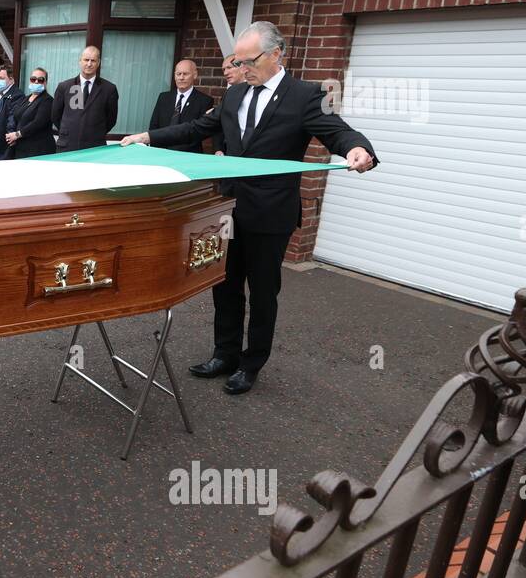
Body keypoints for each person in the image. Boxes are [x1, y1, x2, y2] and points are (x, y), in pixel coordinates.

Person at [122, 21, 378, 395]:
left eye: (248, 61)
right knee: (224, 287)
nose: (241, 70)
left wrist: (357, 149)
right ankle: (224, 354)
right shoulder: (236, 94)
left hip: (270, 215)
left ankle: (251, 362)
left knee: (261, 293)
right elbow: (198, 128)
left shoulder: (305, 95)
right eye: (238, 63)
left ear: (276, 54)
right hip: (228, 210)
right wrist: (148, 137)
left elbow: (336, 130)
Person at [51, 46, 118, 151]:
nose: (89, 64)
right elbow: (55, 115)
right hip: (67, 146)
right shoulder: (64, 87)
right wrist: (69, 130)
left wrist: (94, 132)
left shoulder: (109, 89)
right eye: (86, 60)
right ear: (80, 61)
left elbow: (111, 120)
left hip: (94, 148)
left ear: (98, 63)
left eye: (93, 60)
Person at [147, 58, 212, 154]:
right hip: (160, 153)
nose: (181, 78)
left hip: (188, 155)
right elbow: (154, 126)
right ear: (174, 76)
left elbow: (199, 132)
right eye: (178, 74)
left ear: (195, 75)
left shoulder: (204, 101)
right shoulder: (164, 97)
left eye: (185, 74)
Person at [6, 67, 55, 157]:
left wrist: (17, 135)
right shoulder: (26, 98)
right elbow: (16, 115)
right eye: (33, 79)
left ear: (45, 82)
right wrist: (12, 135)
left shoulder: (48, 101)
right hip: (21, 147)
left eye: (40, 80)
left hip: (38, 150)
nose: (36, 82)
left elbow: (37, 123)